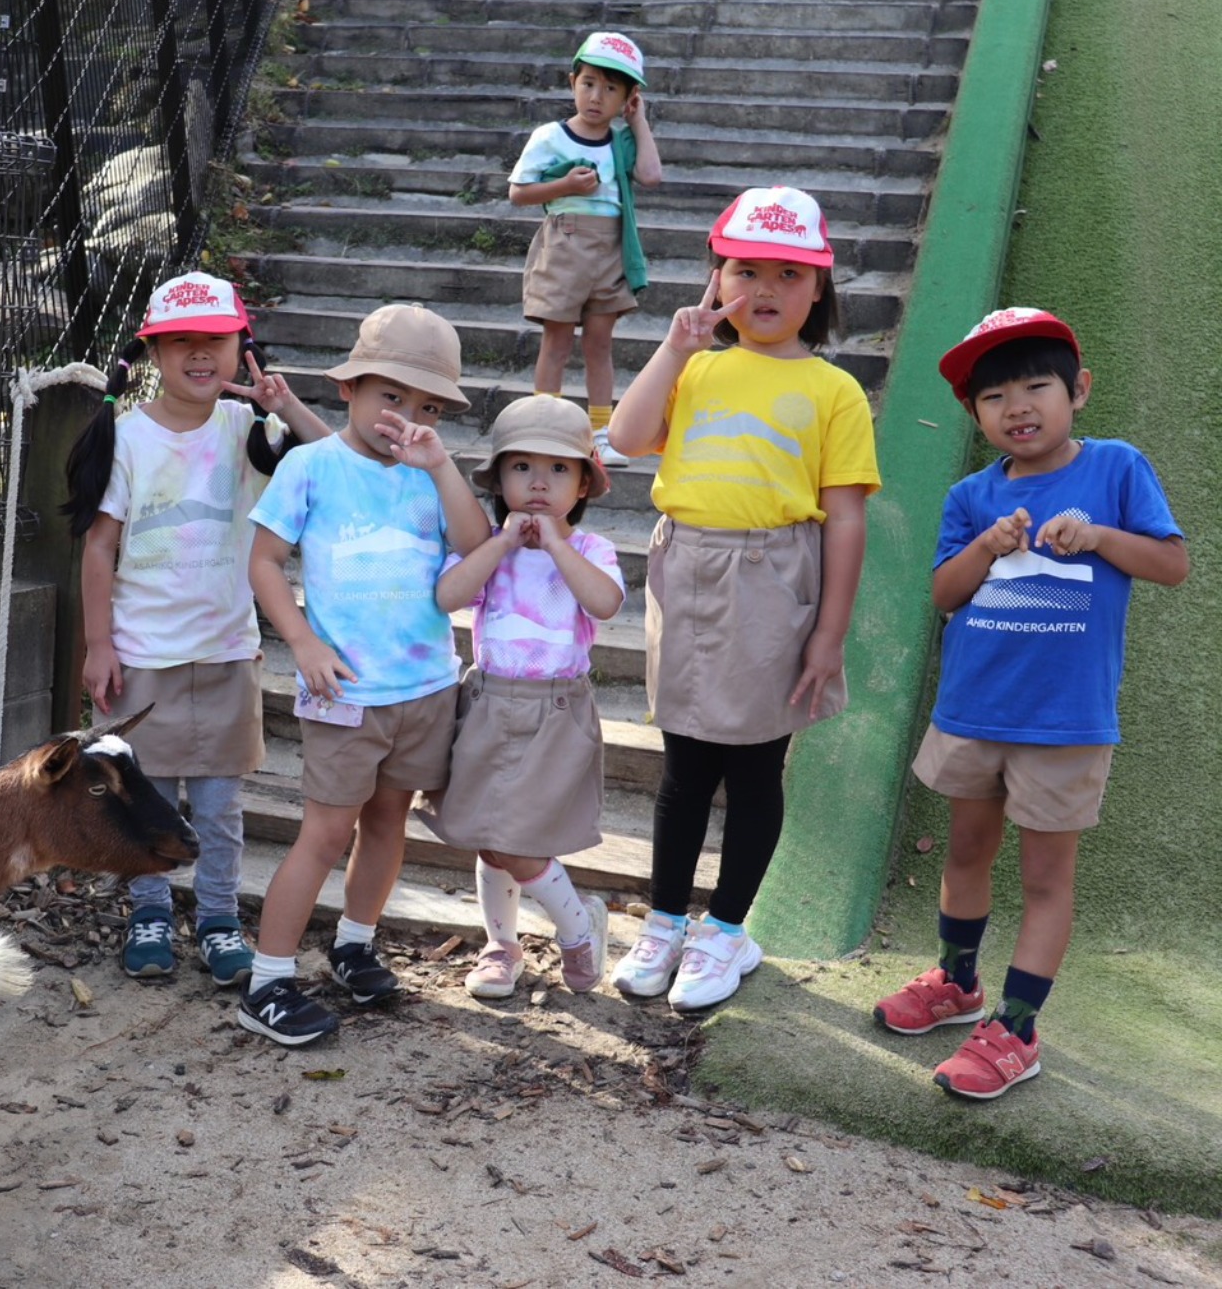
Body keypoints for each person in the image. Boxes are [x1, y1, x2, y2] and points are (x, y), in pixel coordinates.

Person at [873, 308, 1187, 1100]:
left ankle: (1016, 1026)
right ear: (974, 414)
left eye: (1036, 386)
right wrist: (986, 546)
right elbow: (944, 594)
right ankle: (957, 981)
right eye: (994, 396)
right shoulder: (972, 495)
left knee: (1047, 880)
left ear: (1077, 390)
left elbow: (1172, 563)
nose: (1017, 406)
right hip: (974, 712)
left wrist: (1099, 537)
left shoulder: (1116, 467)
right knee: (966, 854)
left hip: (1065, 721)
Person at [604, 186, 880, 1012]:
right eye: (745, 269)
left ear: (819, 289)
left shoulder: (834, 391)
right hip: (686, 567)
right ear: (715, 277)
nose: (764, 290)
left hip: (775, 577)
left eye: (788, 275)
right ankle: (664, 923)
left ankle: (724, 931)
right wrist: (675, 349)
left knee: (755, 763)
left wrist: (829, 631)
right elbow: (623, 439)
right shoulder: (698, 367)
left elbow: (846, 518)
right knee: (685, 762)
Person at [62, 271, 332, 985]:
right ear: (153, 351)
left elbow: (338, 467)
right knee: (139, 799)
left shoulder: (251, 429)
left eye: (214, 339)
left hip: (224, 651)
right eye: (180, 341)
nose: (200, 353)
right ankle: (149, 909)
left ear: (243, 346)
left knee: (217, 807)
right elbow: (98, 545)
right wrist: (99, 643)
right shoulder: (125, 436)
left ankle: (216, 918)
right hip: (140, 656)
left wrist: (286, 404)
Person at [239, 303, 490, 1045]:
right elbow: (263, 563)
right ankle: (267, 981)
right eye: (391, 397)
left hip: (424, 690)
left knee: (387, 822)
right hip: (344, 692)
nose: (405, 417)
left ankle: (354, 942)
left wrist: (441, 465)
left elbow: (476, 551)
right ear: (347, 389)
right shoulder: (312, 466)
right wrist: (303, 641)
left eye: (427, 406)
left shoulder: (427, 475)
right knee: (323, 833)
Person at [422, 395, 625, 999]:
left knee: (519, 841)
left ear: (584, 483)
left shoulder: (590, 551)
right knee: (488, 834)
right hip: (488, 701)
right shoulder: (490, 546)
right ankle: (500, 945)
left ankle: (576, 927)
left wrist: (556, 543)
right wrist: (503, 545)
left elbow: (606, 603)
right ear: (500, 479)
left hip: (556, 710)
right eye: (522, 468)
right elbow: (447, 596)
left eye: (559, 469)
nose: (539, 482)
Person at [507, 30, 663, 469]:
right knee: (556, 342)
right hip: (565, 242)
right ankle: (543, 427)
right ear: (572, 81)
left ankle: (601, 433)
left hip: (609, 248)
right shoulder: (550, 136)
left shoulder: (621, 141)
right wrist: (564, 186)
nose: (597, 96)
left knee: (600, 344)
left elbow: (651, 175)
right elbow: (519, 192)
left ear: (628, 97)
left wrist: (638, 122)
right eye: (589, 83)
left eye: (612, 88)